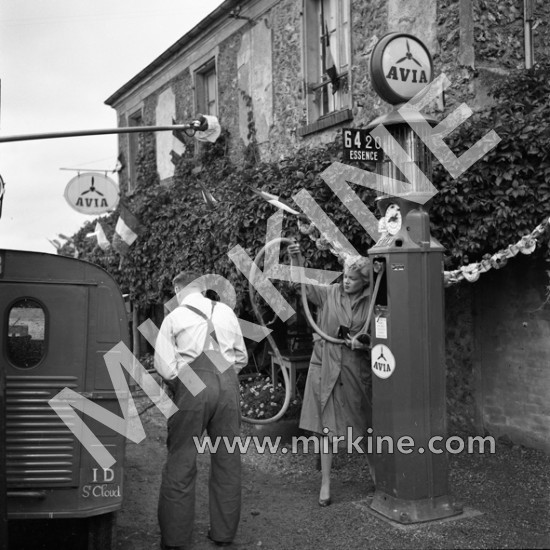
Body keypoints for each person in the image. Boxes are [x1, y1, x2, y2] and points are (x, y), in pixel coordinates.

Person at [154, 271, 248, 550]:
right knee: (227, 460)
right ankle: (223, 534)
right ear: (203, 288)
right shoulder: (227, 312)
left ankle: (176, 539)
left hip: (193, 384)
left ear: (177, 287)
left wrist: (186, 382)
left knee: (182, 459)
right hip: (228, 385)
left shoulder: (174, 318)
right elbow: (241, 356)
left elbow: (165, 366)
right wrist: (224, 375)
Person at [288, 243, 374, 507]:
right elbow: (300, 287)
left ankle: (377, 475)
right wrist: (296, 259)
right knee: (325, 430)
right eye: (345, 276)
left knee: (365, 425)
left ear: (364, 282)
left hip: (353, 369)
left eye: (352, 279)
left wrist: (365, 343)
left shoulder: (372, 302)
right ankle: (325, 483)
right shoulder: (329, 293)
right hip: (325, 367)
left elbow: (382, 337)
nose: (346, 281)